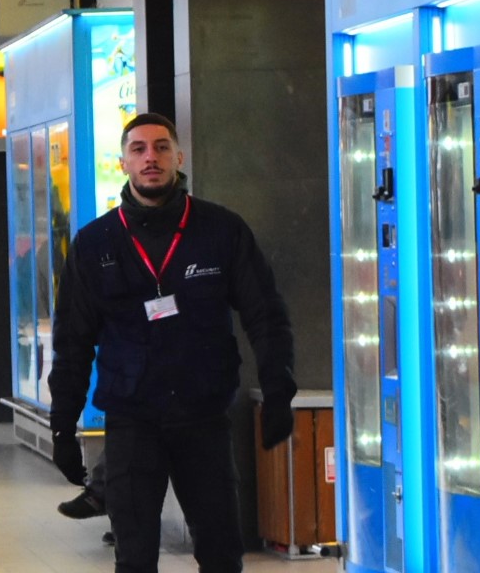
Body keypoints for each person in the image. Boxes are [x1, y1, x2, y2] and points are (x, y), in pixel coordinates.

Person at [47, 113, 296, 573]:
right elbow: (73, 343)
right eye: (138, 149)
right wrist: (62, 425)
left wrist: (278, 387)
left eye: (161, 147)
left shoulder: (221, 231)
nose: (150, 158)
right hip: (131, 422)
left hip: (202, 419)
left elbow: (266, 315)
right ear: (122, 162)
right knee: (135, 556)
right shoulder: (95, 244)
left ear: (179, 158)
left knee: (222, 553)